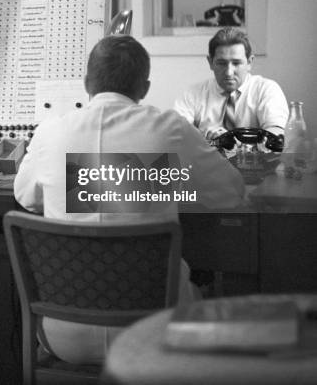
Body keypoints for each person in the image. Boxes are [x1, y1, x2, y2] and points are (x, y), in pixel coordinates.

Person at [14, 35, 244, 364]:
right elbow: (231, 193)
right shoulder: (169, 131)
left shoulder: (51, 133)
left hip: (64, 336)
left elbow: (26, 196)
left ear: (86, 83)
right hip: (156, 335)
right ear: (145, 87)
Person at [173, 27, 288, 141]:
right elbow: (175, 135)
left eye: (236, 63)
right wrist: (206, 138)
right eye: (221, 63)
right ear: (210, 62)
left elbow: (275, 135)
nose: (229, 72)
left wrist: (234, 140)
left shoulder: (267, 90)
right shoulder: (193, 94)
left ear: (249, 62)